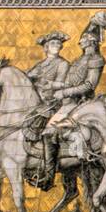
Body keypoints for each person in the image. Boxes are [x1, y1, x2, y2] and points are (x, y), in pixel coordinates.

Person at [41, 13, 106, 188]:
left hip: (79, 104)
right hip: (65, 102)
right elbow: (69, 82)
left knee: (49, 133)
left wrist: (64, 93)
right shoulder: (79, 60)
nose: (82, 40)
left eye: (85, 38)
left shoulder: (96, 60)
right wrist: (53, 86)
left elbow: (89, 85)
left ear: (93, 41)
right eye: (83, 37)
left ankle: (48, 176)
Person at [22, 30, 71, 187]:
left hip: (55, 104)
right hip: (39, 103)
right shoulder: (41, 65)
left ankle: (48, 176)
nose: (56, 46)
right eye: (52, 44)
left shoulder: (63, 64)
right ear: (46, 48)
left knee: (48, 135)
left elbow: (63, 83)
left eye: (58, 44)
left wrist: (48, 84)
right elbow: (26, 77)